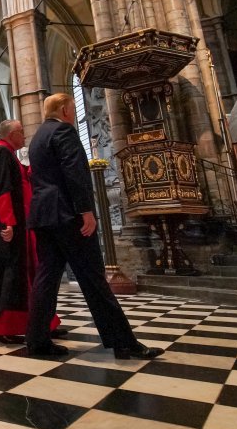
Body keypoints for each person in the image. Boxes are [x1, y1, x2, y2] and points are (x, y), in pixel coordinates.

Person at [24, 93, 163, 360]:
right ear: (65, 110)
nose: (74, 114)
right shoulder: (64, 131)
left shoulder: (38, 137)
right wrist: (85, 210)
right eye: (73, 109)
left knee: (47, 278)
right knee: (93, 278)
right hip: (67, 215)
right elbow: (74, 172)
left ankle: (37, 340)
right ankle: (123, 342)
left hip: (44, 215)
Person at [0, 120, 63, 344]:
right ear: (11, 134)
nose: (24, 135)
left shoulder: (7, 152)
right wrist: (7, 223)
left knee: (21, 276)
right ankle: (6, 326)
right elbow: (3, 190)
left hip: (18, 225)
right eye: (21, 131)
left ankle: (36, 322)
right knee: (7, 278)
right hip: (9, 228)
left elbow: (17, 182)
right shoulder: (0, 152)